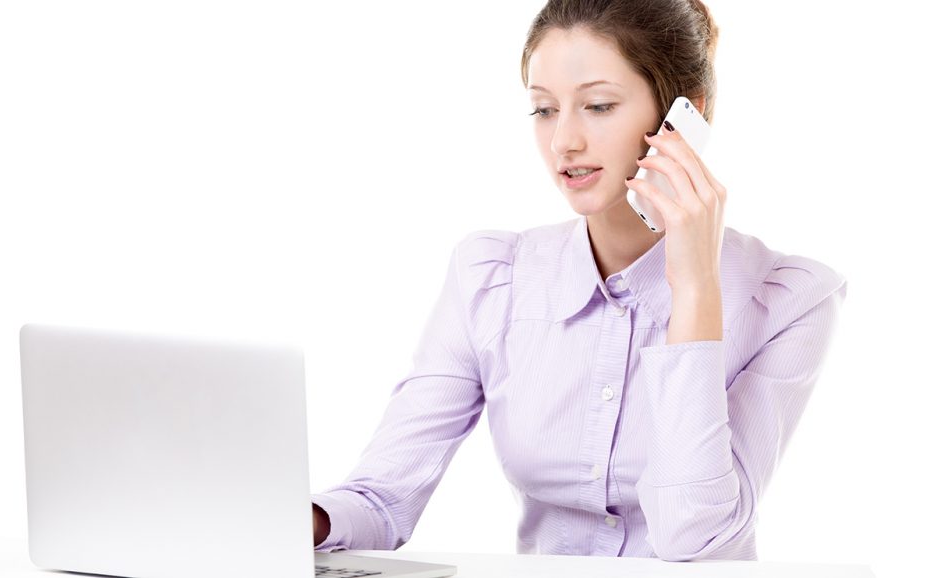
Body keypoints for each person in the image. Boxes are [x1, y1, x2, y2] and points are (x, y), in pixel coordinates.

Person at [310, 0, 847, 562]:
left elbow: (698, 541)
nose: (564, 141)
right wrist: (298, 517)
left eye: (597, 105)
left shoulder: (789, 300)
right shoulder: (493, 278)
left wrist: (693, 290)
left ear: (687, 116)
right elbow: (379, 499)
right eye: (543, 110)